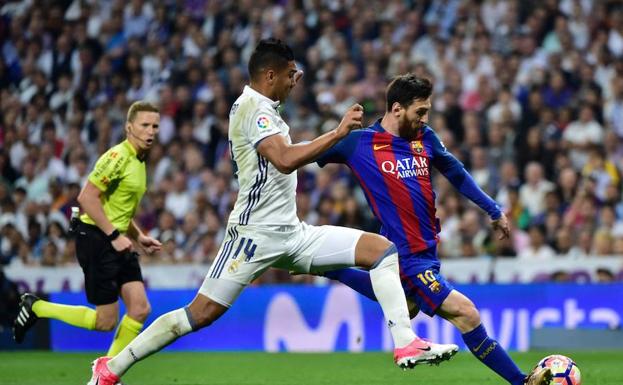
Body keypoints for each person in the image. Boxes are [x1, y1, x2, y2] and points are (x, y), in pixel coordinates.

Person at [86, 39, 457, 385]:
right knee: (199, 314)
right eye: (290, 74)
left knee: (380, 251)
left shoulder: (261, 107)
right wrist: (337, 133)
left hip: (292, 234)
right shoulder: (254, 109)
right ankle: (111, 367)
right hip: (253, 237)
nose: (294, 81)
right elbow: (283, 159)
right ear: (270, 75)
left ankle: (406, 342)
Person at [314, 74, 552, 385]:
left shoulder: (424, 138)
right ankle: (522, 382)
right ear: (397, 109)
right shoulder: (358, 143)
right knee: (466, 313)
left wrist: (493, 209)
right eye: (420, 111)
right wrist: (334, 132)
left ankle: (329, 267)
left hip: (426, 249)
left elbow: (455, 171)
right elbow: (304, 154)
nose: (425, 119)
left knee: (408, 306)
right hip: (405, 252)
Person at [13, 101, 162, 357]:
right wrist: (115, 235)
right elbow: (86, 197)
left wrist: (139, 236)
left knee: (139, 309)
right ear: (129, 127)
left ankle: (106, 375)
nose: (151, 131)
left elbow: (119, 209)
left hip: (117, 239)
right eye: (145, 125)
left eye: (155, 126)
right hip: (97, 239)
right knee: (105, 321)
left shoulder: (139, 161)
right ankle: (37, 307)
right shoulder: (117, 157)